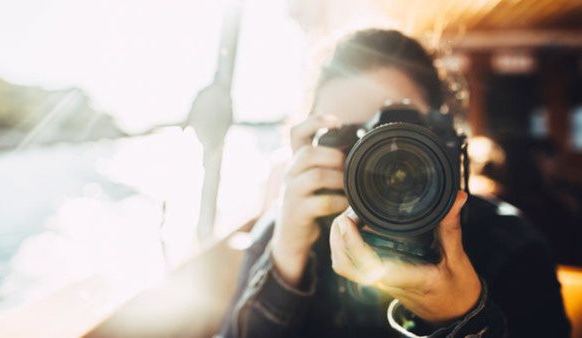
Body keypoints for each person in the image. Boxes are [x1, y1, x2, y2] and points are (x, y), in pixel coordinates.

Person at [219, 29, 570, 337]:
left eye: (401, 133)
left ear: (443, 138)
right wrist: (285, 258)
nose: (380, 156)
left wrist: (463, 318)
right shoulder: (286, 229)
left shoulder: (512, 245)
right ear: (315, 142)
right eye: (354, 136)